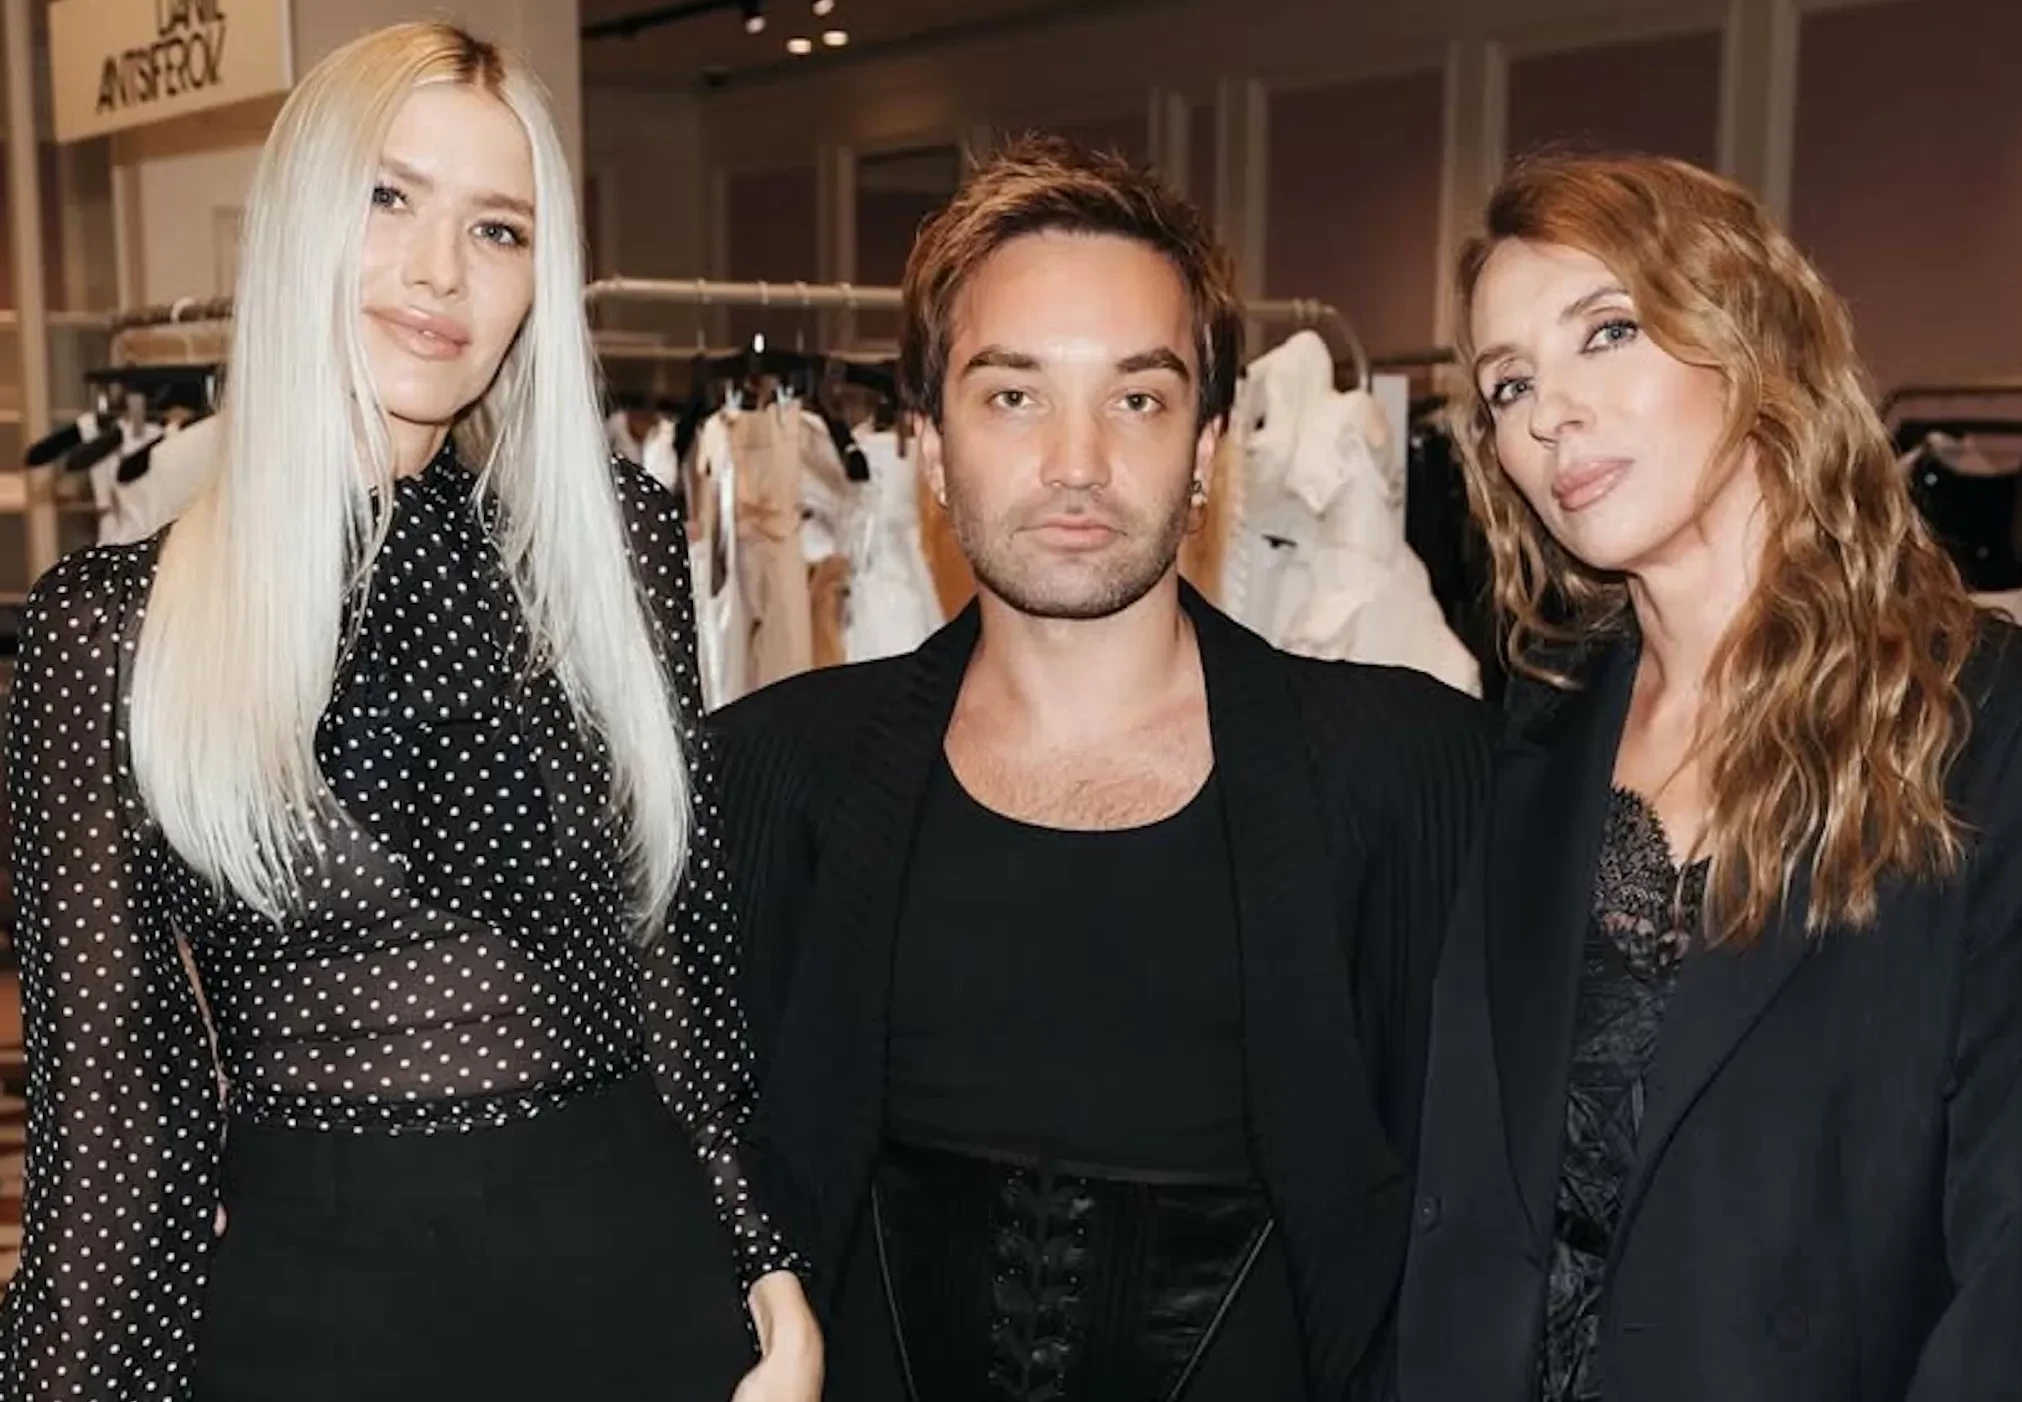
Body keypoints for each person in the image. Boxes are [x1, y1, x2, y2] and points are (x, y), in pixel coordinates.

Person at [0, 23, 819, 1402]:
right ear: (299, 223)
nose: (442, 270)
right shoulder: (114, 628)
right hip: (320, 1325)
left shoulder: (608, 551)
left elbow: (678, 975)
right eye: (388, 198)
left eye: (498, 229)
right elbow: (116, 1139)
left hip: (644, 1292)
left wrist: (768, 1274)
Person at [697, 135, 1490, 1401]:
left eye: (1137, 399)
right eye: (1014, 396)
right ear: (931, 446)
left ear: (1209, 447)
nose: (1077, 462)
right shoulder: (771, 779)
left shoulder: (1406, 777)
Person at [1397, 151, 2022, 1402]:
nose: (1549, 414)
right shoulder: (1536, 733)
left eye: (1607, 332)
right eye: (1510, 383)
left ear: (1750, 334)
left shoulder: (1976, 717)